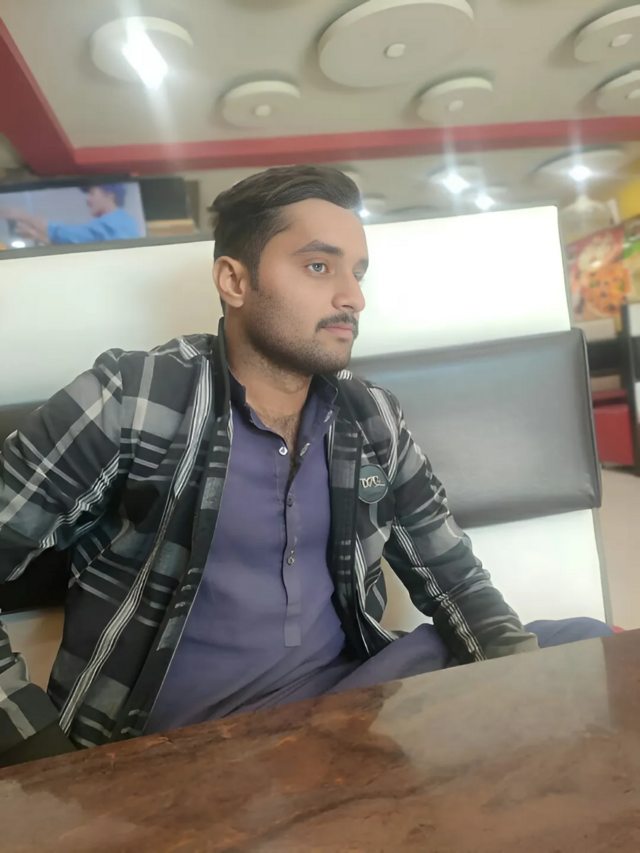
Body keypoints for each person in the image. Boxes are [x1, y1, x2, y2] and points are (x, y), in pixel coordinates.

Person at [0, 165, 611, 767]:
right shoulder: (135, 397)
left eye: (357, 272)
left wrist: (520, 678)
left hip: (352, 701)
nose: (353, 297)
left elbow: (453, 575)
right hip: (183, 746)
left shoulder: (371, 416)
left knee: (587, 653)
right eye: (319, 266)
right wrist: (41, 760)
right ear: (234, 281)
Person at [0, 184, 141, 245]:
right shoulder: (122, 223)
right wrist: (38, 235)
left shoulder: (116, 223)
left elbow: (68, 234)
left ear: (109, 195)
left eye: (92, 193)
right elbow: (79, 247)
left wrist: (22, 215)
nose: (88, 200)